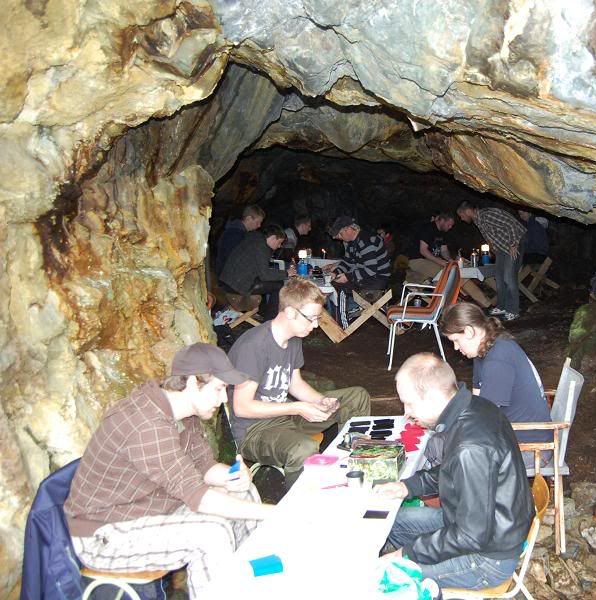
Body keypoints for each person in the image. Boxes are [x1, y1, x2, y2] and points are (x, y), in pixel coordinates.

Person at [64, 343, 274, 599]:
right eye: (219, 389)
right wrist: (278, 514)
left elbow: (204, 467)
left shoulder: (185, 412)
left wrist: (236, 476)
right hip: (104, 532)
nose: (223, 399)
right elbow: (198, 497)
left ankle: (256, 585)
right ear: (193, 383)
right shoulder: (146, 424)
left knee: (245, 492)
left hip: (154, 507)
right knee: (211, 534)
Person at [375, 353, 534, 589]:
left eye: (409, 403)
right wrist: (407, 486)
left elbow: (470, 536)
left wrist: (405, 555)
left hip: (487, 558)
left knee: (380, 576)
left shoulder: (470, 447)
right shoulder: (474, 407)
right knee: (393, 522)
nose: (406, 412)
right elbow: (454, 470)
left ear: (432, 396)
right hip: (481, 524)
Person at [227, 278, 371, 491]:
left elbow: (294, 384)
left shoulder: (293, 339)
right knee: (304, 448)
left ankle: (352, 466)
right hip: (254, 431)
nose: (315, 325)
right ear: (290, 313)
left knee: (357, 396)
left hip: (287, 416)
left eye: (318, 318)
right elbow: (242, 407)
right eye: (311, 318)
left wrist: (321, 400)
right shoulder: (253, 346)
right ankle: (302, 505)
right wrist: (297, 407)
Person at [440, 302, 552, 465]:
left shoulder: (499, 356)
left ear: (469, 331)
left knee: (455, 459)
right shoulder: (484, 350)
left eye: (456, 340)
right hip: (509, 438)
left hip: (528, 447)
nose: (456, 347)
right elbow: (477, 403)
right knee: (444, 445)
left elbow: (486, 417)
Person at [457, 201, 526, 321]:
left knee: (508, 277)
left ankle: (513, 310)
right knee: (499, 278)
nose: (461, 219)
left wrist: (513, 244)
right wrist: (492, 249)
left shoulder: (487, 215)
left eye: (461, 215)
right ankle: (502, 307)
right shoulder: (478, 221)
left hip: (514, 244)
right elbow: (490, 236)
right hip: (502, 248)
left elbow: (511, 225)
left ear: (468, 211)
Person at [324, 216, 391, 328]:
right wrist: (335, 273)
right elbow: (347, 262)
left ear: (348, 229)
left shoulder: (366, 240)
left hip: (377, 280)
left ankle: (341, 327)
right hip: (368, 277)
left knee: (341, 287)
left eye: (340, 234)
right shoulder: (352, 242)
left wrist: (348, 277)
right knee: (333, 282)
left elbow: (370, 270)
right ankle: (335, 319)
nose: (338, 238)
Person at [219, 224, 294, 320]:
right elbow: (265, 275)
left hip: (228, 281)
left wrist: (280, 273)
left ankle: (265, 312)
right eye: (279, 242)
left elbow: (261, 270)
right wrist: (286, 273)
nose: (279, 246)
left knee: (270, 282)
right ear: (273, 238)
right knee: (279, 285)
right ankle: (270, 320)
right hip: (235, 285)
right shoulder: (261, 246)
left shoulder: (255, 240)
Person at [404, 213, 455, 283]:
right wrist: (440, 261)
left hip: (430, 260)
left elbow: (444, 250)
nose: (450, 227)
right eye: (449, 225)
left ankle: (434, 287)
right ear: (442, 220)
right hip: (417, 259)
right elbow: (423, 250)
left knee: (450, 270)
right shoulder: (428, 228)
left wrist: (450, 259)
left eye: (451, 225)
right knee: (444, 273)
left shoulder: (443, 232)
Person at [215, 204, 265, 274]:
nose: (259, 225)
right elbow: (234, 260)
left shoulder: (238, 231)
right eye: (257, 222)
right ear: (248, 218)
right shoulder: (235, 234)